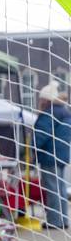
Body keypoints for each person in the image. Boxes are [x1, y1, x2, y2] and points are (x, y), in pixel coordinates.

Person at [34, 81, 71, 229]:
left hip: (49, 156)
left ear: (46, 99)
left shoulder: (50, 113)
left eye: (41, 99)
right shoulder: (65, 112)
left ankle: (54, 221)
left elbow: (41, 135)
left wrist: (30, 148)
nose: (40, 101)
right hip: (62, 156)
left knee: (52, 188)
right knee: (60, 188)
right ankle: (63, 220)